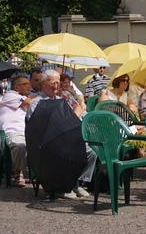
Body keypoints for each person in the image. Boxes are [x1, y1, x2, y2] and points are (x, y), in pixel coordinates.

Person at [27, 69, 96, 199]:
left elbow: (75, 113)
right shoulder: (37, 103)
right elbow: (37, 128)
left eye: (58, 83)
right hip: (47, 141)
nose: (56, 86)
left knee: (91, 151)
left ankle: (77, 183)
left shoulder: (62, 100)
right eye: (53, 83)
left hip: (66, 138)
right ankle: (62, 186)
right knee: (63, 152)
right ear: (43, 84)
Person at [0, 75, 32, 187]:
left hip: (27, 132)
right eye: (25, 84)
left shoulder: (26, 96)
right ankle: (18, 172)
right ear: (17, 87)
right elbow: (29, 103)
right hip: (12, 132)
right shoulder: (10, 95)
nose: (29, 85)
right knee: (19, 145)